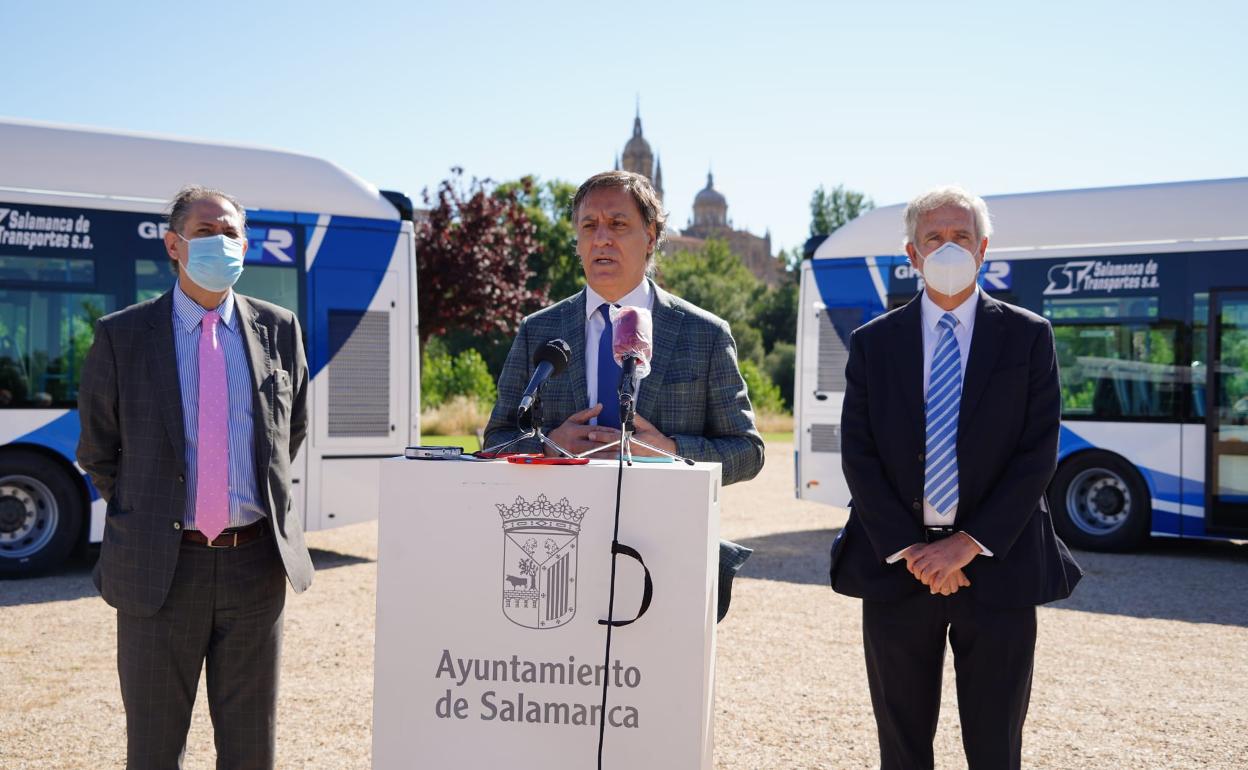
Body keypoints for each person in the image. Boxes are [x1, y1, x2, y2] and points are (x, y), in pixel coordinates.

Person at [830, 186, 1082, 769]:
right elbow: (859, 453)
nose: (948, 248)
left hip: (1000, 568)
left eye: (961, 237)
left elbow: (1036, 454)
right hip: (898, 570)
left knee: (997, 748)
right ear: (912, 255)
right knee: (902, 747)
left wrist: (967, 545)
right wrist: (914, 550)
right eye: (934, 238)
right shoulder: (873, 344)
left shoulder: (1028, 337)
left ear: (984, 248)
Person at [77, 185, 312, 769]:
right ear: (174, 245)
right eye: (206, 232)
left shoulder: (279, 329)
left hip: (255, 570)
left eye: (231, 232)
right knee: (154, 749)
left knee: (251, 749)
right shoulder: (122, 336)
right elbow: (99, 452)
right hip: (159, 570)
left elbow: (291, 433)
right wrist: (150, 516)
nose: (220, 242)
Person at [483, 170, 764, 617]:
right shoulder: (539, 331)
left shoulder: (705, 334)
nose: (602, 239)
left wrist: (670, 450)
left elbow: (748, 453)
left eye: (618, 225)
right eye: (589, 227)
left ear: (651, 237)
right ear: (576, 240)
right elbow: (497, 439)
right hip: (556, 559)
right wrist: (548, 450)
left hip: (669, 561)